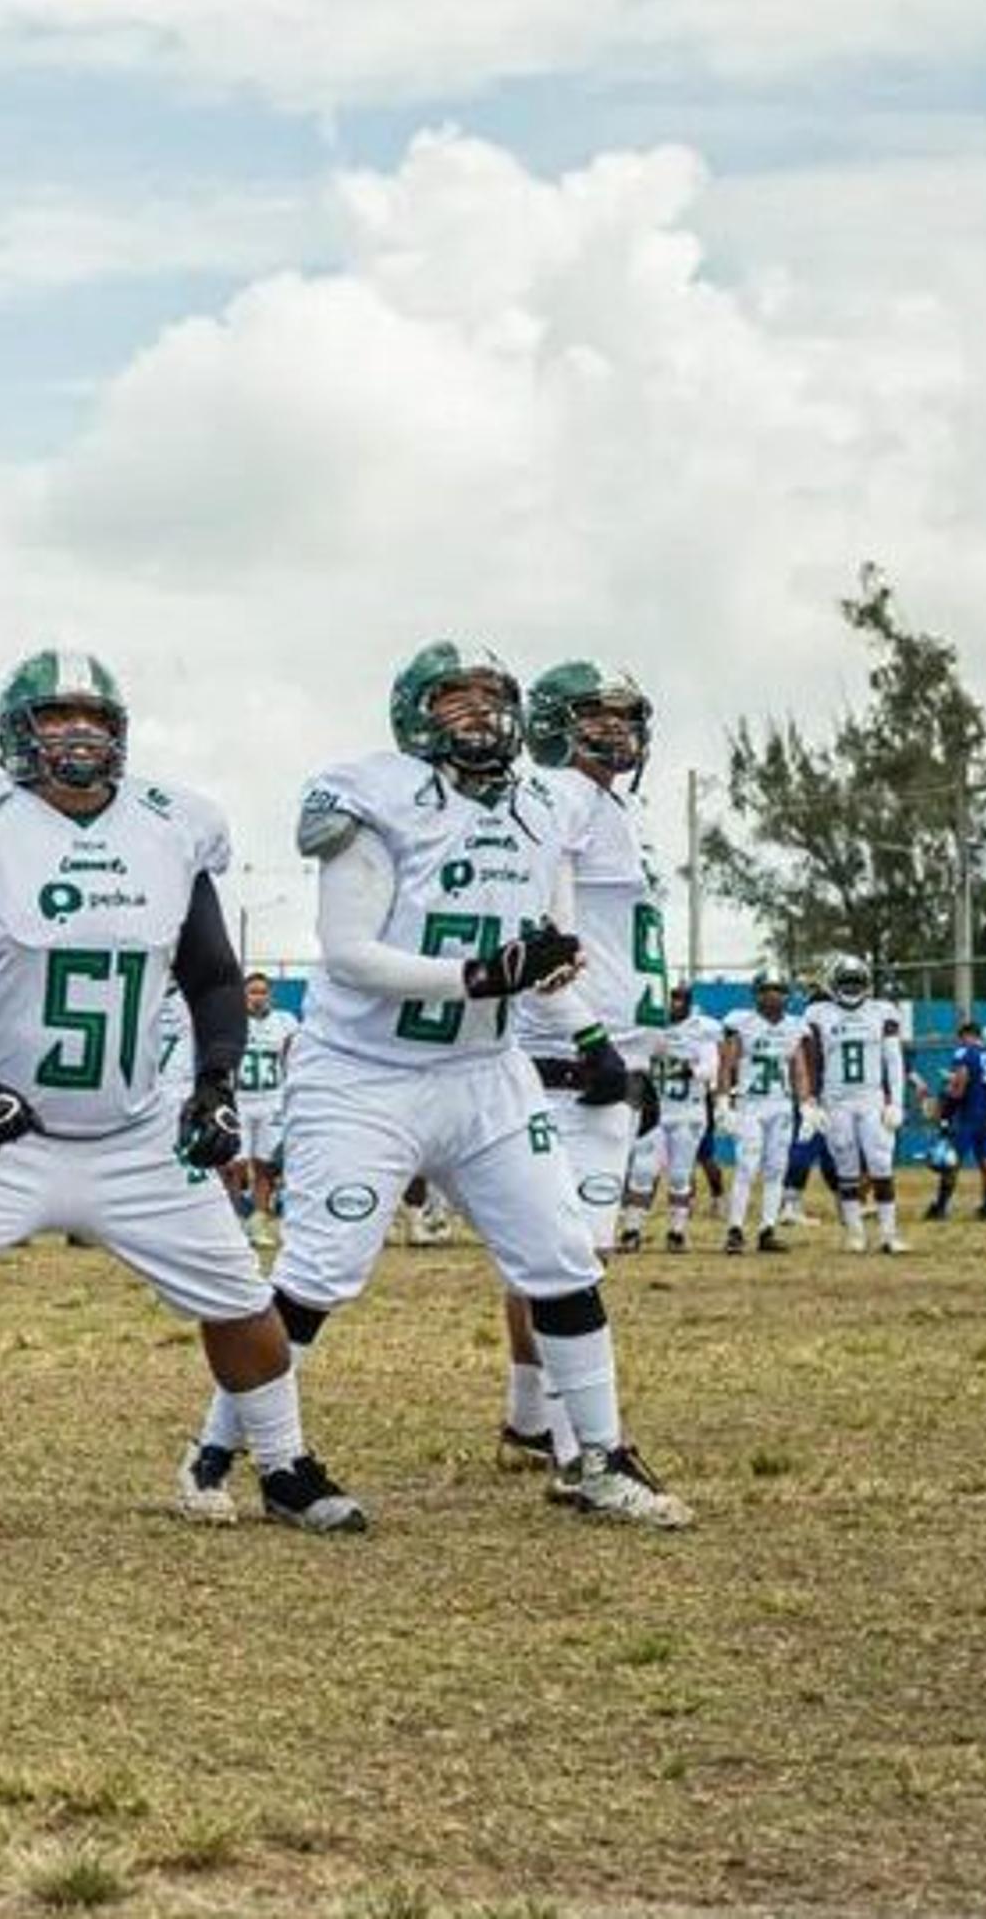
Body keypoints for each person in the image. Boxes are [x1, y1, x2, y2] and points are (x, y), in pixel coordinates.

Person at [0, 653, 362, 1536]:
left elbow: (211, 976)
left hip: (132, 1135)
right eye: (56, 719)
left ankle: (282, 1465)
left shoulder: (171, 827)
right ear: (20, 734)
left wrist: (212, 1087)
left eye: (94, 718)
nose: (77, 735)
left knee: (243, 1306)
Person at [254, 641, 685, 1526]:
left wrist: (582, 1017)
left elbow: (552, 939)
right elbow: (348, 951)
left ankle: (598, 1457)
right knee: (320, 1274)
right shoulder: (374, 795)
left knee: (562, 1254)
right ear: (415, 711)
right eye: (455, 701)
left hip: (483, 1071)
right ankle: (237, 1449)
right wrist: (480, 978)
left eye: (491, 699)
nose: (478, 716)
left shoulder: (540, 804)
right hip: (367, 1072)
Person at [499, 662, 671, 1476]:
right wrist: (592, 1039)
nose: (615, 731)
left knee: (545, 1250)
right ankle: (581, 1452)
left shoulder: (615, 805)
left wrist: (643, 1057)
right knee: (573, 1257)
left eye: (623, 717)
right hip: (571, 1057)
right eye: (595, 717)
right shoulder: (558, 797)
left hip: (609, 1054)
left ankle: (533, 1422)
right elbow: (547, 931)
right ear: (554, 721)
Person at [802, 958, 908, 1254]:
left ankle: (888, 1234)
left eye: (855, 982)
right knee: (845, 1165)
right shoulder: (818, 1014)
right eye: (845, 982)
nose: (851, 988)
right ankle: (855, 1234)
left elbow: (893, 1060)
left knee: (881, 1163)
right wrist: (811, 1100)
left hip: (871, 1098)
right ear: (833, 984)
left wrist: (896, 1102)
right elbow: (811, 1061)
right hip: (835, 1100)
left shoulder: (881, 1012)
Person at [719, 978, 813, 1252]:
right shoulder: (743, 1023)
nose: (773, 996)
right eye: (767, 991)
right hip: (751, 1104)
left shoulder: (794, 1027)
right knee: (747, 1165)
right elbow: (727, 1064)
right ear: (757, 995)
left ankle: (767, 1229)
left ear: (787, 996)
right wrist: (724, 1101)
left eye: (779, 991)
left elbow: (799, 1069)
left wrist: (806, 1104)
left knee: (776, 1168)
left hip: (781, 1105)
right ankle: (735, 1229)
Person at [628, 984, 719, 1251]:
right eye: (672, 997)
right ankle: (632, 1230)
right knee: (642, 1170)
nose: (675, 1003)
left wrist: (688, 1070)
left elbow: (711, 1066)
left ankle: (677, 1233)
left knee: (680, 1175)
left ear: (690, 1001)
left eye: (680, 998)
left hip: (688, 1111)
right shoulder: (652, 1027)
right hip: (655, 1111)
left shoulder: (701, 1029)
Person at [229, 973, 298, 1247]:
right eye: (251, 992)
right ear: (243, 996)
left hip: (272, 1101)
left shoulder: (285, 1022)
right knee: (235, 1166)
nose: (257, 997)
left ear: (270, 995)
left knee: (266, 1167)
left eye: (261, 992)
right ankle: (236, 1221)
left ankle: (258, 1222)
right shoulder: (232, 1020)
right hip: (239, 1101)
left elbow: (293, 1058)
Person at [926, 1020, 986, 1222]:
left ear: (966, 1035)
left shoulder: (963, 1053)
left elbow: (962, 1081)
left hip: (967, 1115)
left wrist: (949, 1104)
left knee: (951, 1162)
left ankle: (940, 1207)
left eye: (961, 1038)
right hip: (985, 1114)